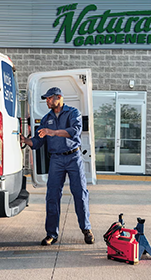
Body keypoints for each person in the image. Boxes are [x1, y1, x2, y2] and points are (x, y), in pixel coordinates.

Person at [20, 87, 95, 245]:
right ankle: (51, 234)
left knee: (80, 194)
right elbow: (37, 141)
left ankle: (86, 230)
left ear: (58, 97)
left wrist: (52, 132)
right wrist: (26, 141)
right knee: (52, 196)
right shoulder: (46, 119)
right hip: (56, 160)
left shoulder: (73, 113)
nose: (47, 101)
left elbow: (74, 131)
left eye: (49, 98)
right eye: (46, 99)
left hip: (74, 157)